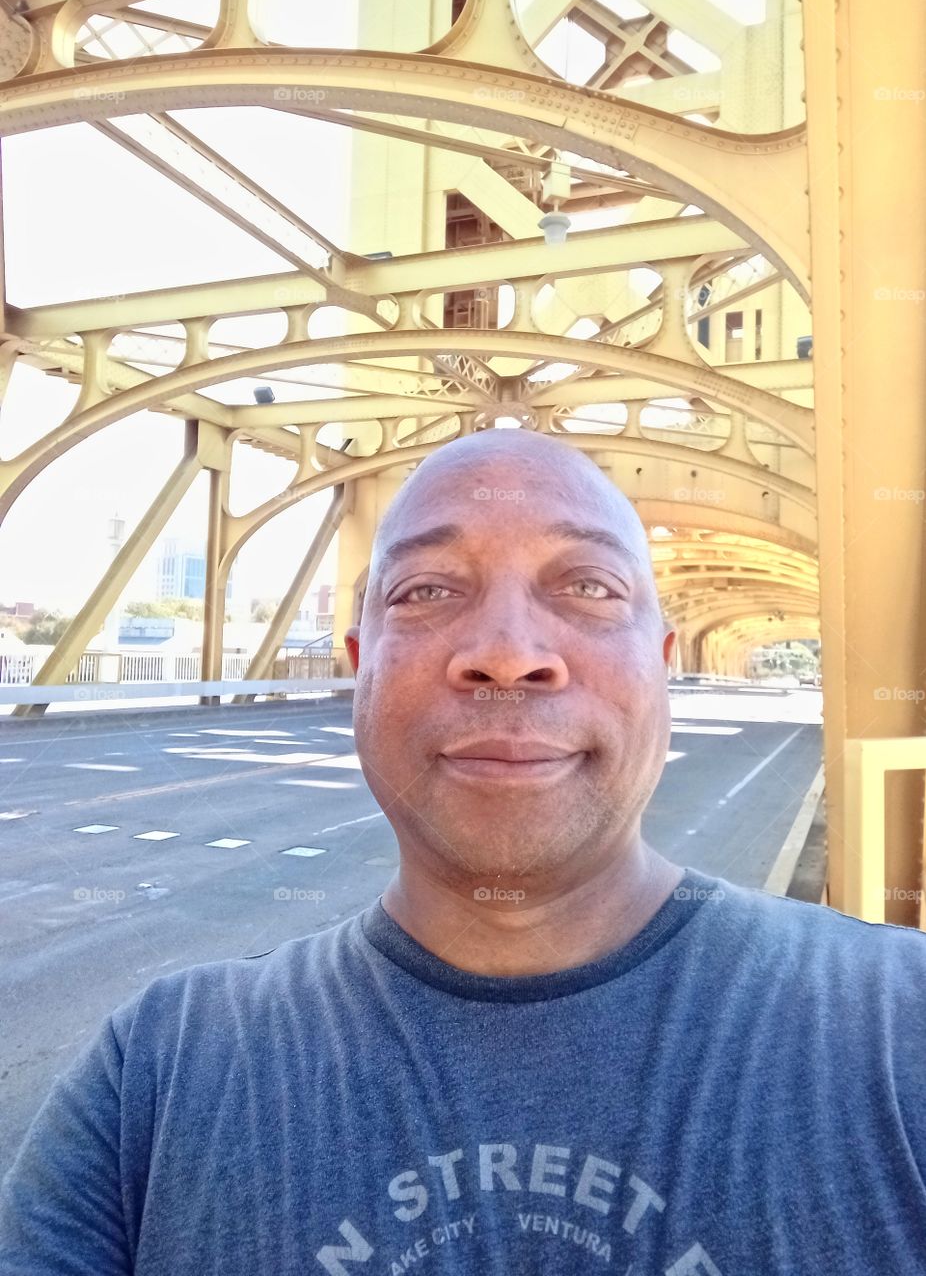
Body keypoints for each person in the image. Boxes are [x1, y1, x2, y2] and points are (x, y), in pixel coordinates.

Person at [1, 427, 924, 1275]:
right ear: (359, 664)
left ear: (665, 660)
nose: (509, 653)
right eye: (429, 590)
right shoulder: (156, 1081)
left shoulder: (903, 1030)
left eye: (589, 587)